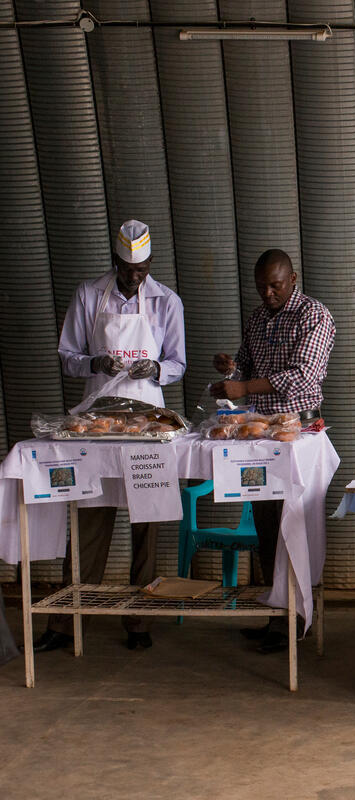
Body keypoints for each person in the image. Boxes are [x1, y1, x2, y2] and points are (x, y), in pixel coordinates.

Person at [33, 220, 186, 653]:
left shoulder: (166, 301)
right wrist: (94, 363)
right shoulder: (88, 295)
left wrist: (156, 369)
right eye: (126, 269)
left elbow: (178, 362)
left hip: (148, 423)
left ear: (150, 264)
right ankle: (66, 621)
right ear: (115, 261)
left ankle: (139, 621)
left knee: (147, 521)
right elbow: (68, 356)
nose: (134, 278)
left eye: (141, 270)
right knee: (90, 517)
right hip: (98, 421)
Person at [211, 249, 335, 655]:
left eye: (275, 285)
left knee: (291, 527)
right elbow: (246, 368)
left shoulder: (314, 315)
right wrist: (231, 370)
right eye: (261, 286)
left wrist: (244, 387)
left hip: (298, 433)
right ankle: (277, 614)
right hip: (261, 434)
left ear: (293, 279)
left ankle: (295, 619)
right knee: (267, 528)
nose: (268, 293)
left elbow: (303, 376)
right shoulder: (257, 318)